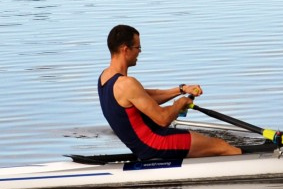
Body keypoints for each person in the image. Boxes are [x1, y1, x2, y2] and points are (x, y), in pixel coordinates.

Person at [99, 25, 241, 159]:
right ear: (125, 49)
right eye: (138, 47)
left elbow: (148, 96)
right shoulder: (127, 84)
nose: (140, 51)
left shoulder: (105, 77)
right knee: (220, 145)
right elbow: (163, 119)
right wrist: (180, 103)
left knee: (212, 145)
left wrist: (182, 90)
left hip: (143, 145)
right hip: (154, 143)